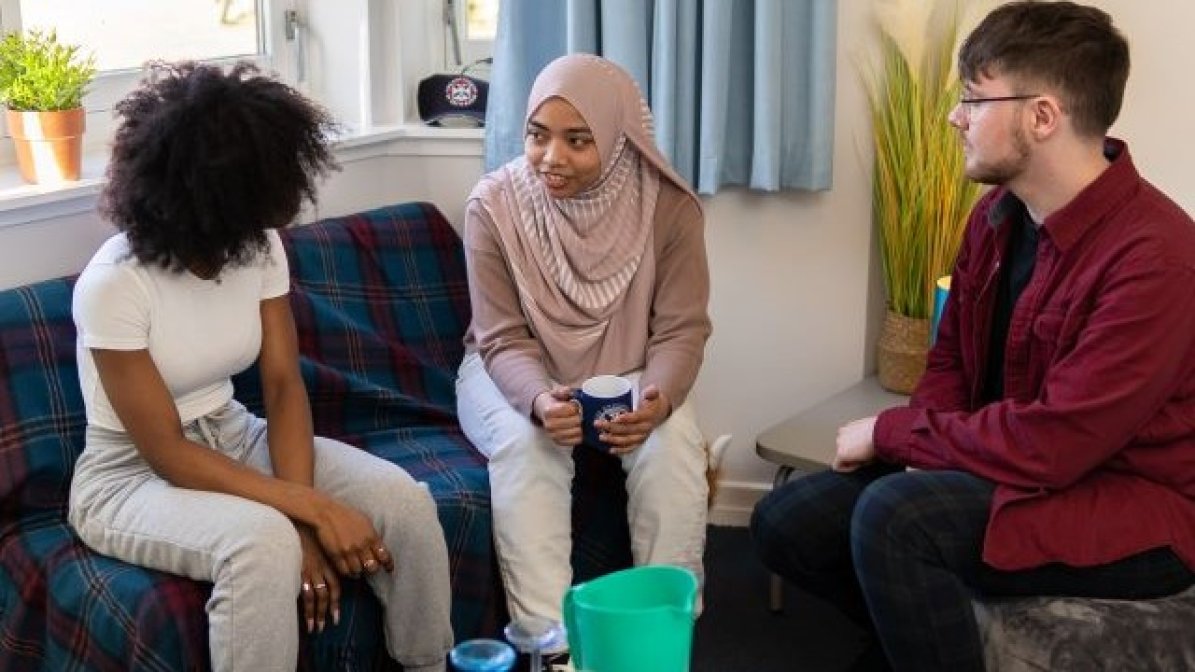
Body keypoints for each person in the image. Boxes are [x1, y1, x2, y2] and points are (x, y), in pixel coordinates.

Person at [751, 2, 1195, 670]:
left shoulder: (1158, 258)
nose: (955, 116)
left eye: (973, 99)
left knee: (895, 520)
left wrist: (894, 435)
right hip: (1013, 468)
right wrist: (921, 443)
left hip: (1129, 507)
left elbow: (1056, 445)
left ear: (1041, 116)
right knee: (785, 520)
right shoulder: (993, 215)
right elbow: (952, 359)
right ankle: (919, 641)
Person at [68, 62, 454, 672]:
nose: (263, 224)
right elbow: (166, 451)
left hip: (234, 433)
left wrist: (302, 513)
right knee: (262, 544)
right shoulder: (113, 285)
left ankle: (430, 664)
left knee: (406, 505)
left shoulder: (258, 243)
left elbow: (281, 386)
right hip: (129, 474)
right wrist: (311, 513)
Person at [456, 54, 712, 664]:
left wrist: (657, 400)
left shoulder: (669, 208)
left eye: (578, 141)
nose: (551, 158)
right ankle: (554, 651)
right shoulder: (493, 208)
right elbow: (500, 338)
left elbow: (680, 330)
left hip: (627, 367)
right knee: (527, 446)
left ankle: (661, 630)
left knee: (673, 442)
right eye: (537, 136)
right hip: (509, 372)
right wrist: (541, 401)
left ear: (619, 138)